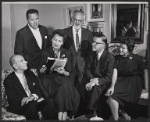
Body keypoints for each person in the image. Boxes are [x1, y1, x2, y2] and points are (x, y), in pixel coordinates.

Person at [39, 29, 80, 121]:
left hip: (61, 77)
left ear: (62, 43)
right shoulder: (45, 52)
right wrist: (44, 69)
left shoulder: (67, 53)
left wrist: (63, 71)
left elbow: (69, 72)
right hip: (48, 78)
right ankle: (63, 116)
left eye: (59, 41)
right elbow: (40, 71)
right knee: (64, 86)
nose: (56, 43)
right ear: (51, 40)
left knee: (65, 86)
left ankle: (61, 115)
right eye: (55, 40)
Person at [106, 37, 145, 120]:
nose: (120, 49)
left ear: (129, 48)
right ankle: (118, 116)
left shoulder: (137, 59)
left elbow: (144, 72)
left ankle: (120, 115)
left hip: (134, 81)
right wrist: (112, 86)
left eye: (123, 48)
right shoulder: (117, 58)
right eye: (119, 47)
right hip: (121, 80)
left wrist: (146, 87)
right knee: (109, 93)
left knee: (113, 95)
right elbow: (115, 73)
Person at [63, 10, 93, 116]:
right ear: (72, 19)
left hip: (83, 66)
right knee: (70, 88)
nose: (77, 22)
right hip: (69, 65)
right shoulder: (64, 32)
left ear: (83, 20)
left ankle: (83, 113)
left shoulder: (88, 33)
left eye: (80, 20)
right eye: (75, 19)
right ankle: (71, 113)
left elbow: (90, 52)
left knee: (83, 89)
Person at [4, 55, 51, 120]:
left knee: (50, 102)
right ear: (15, 66)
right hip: (20, 106)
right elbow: (12, 99)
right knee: (31, 106)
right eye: (22, 61)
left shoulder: (30, 74)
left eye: (24, 60)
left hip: (34, 101)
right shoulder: (9, 80)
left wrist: (32, 96)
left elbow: (38, 89)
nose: (26, 62)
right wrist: (26, 99)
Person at [84, 32, 115, 118]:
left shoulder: (110, 57)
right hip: (92, 80)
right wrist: (91, 80)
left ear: (104, 45)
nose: (93, 44)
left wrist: (96, 81)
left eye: (96, 43)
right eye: (93, 41)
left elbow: (108, 77)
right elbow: (87, 70)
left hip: (104, 82)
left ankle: (91, 112)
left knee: (96, 88)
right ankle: (94, 113)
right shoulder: (91, 54)